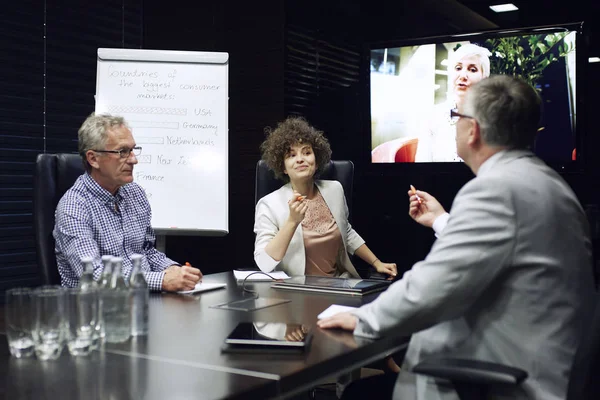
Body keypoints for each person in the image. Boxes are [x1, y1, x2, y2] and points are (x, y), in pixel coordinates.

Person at [318, 75, 595, 400]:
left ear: (473, 130)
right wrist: (441, 220)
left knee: (357, 395)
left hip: (503, 377)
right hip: (544, 364)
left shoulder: (495, 190)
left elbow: (434, 285)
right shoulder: (544, 183)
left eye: (456, 116)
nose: (454, 125)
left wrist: (363, 318)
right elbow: (510, 251)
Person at [54, 113, 202, 291]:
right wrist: (162, 280)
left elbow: (146, 251)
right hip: (96, 310)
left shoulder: (135, 193)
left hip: (144, 302)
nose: (133, 159)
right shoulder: (73, 208)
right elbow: (95, 277)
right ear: (93, 159)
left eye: (132, 150)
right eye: (122, 152)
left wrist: (174, 270)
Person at [254, 116, 397, 279]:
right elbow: (264, 264)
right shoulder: (269, 204)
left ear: (316, 159)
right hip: (296, 291)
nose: (300, 159)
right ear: (283, 167)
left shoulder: (334, 189)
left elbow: (346, 232)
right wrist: (292, 221)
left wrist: (376, 262)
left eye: (307, 152)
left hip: (339, 285)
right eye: (291, 155)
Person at [415, 43, 491, 162]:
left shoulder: (494, 119)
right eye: (458, 68)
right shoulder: (433, 116)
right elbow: (421, 169)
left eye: (472, 69)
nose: (463, 76)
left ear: (484, 78)